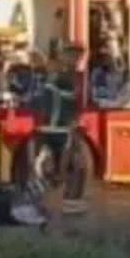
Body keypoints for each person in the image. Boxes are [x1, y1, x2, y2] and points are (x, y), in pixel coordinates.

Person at [20, 41, 90, 217]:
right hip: (49, 130)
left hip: (60, 130)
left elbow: (71, 107)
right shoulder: (60, 74)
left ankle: (69, 204)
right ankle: (34, 205)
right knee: (44, 168)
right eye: (72, 54)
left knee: (73, 166)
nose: (75, 59)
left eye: (78, 56)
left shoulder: (71, 76)